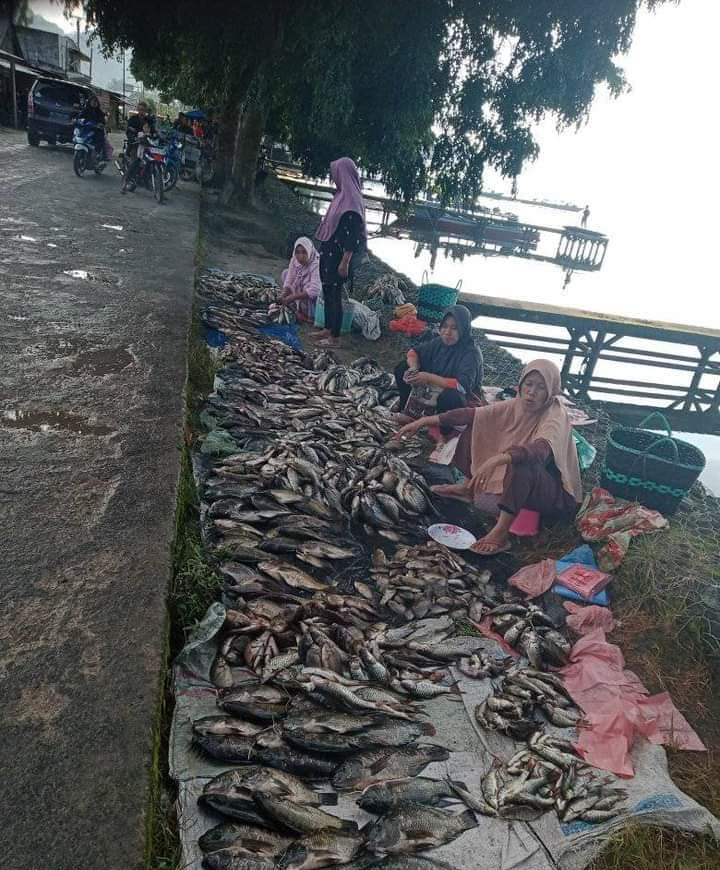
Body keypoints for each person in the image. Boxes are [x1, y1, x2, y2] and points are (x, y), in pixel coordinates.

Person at [397, 359, 582, 555]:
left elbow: (540, 450)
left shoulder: (555, 415)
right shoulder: (516, 404)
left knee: (522, 463)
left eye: (541, 387)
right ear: (520, 385)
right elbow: (471, 414)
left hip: (554, 496)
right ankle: (467, 488)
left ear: (551, 391)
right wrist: (424, 421)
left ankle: (500, 534)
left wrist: (499, 458)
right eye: (528, 384)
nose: (531, 392)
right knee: (478, 423)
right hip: (523, 484)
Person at [394, 305, 483, 430]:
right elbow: (413, 352)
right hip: (434, 388)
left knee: (450, 396)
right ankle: (407, 411)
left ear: (463, 329)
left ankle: (445, 431)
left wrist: (428, 377)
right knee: (402, 368)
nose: (447, 332)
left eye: (454, 328)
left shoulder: (471, 352)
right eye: (445, 326)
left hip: (462, 397)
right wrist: (414, 369)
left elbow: (462, 386)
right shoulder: (438, 342)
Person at [313, 157, 366, 348]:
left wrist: (345, 261)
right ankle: (327, 327)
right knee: (327, 290)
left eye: (336, 173)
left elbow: (353, 237)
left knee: (335, 295)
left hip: (339, 256)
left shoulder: (352, 202)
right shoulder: (340, 196)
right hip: (329, 252)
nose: (334, 177)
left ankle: (334, 337)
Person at [280, 237, 321, 323]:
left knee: (308, 287)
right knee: (285, 273)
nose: (300, 256)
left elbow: (315, 290)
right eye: (297, 252)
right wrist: (284, 294)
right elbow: (289, 279)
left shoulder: (316, 263)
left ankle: (310, 317)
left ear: (309, 251)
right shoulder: (294, 259)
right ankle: (296, 305)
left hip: (314, 297)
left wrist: (293, 297)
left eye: (304, 252)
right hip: (301, 288)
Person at [121, 101, 156, 193]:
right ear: (137, 109)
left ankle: (147, 181)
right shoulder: (133, 119)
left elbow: (154, 130)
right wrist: (132, 137)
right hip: (135, 144)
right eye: (140, 109)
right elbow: (128, 130)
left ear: (145, 111)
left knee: (151, 159)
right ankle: (125, 183)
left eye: (143, 110)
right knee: (135, 162)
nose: (142, 111)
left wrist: (157, 134)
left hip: (147, 144)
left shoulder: (149, 120)